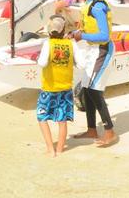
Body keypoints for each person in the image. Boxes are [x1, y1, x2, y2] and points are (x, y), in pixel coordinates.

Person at [71, 0, 118, 148]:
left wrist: (81, 35)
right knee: (86, 89)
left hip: (102, 50)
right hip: (92, 49)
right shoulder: (88, 4)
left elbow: (104, 35)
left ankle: (110, 131)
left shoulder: (97, 7)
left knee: (94, 91)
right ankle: (91, 129)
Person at [36, 15, 75, 157]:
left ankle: (50, 150)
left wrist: (37, 58)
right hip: (66, 88)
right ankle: (59, 149)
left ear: (49, 31)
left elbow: (42, 63)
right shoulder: (71, 44)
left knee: (42, 117)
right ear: (63, 30)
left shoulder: (48, 44)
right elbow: (81, 64)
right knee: (62, 120)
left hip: (49, 89)